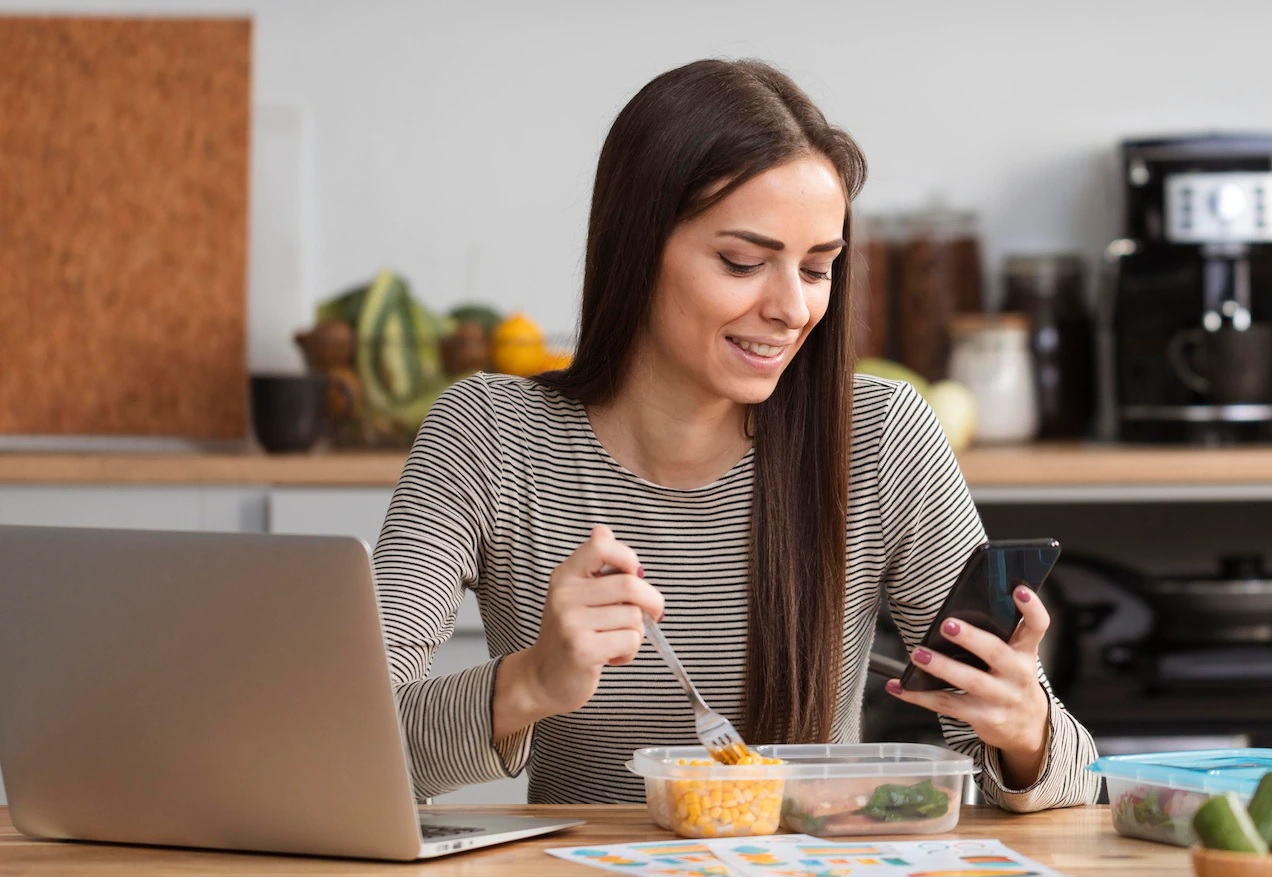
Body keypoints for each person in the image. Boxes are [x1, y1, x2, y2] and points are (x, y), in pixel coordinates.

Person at [375, 58, 1100, 810]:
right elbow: (352, 746)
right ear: (635, 249)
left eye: (817, 269)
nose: (791, 309)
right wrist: (529, 681)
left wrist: (1026, 730)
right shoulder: (490, 434)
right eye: (743, 262)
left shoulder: (880, 436)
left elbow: (1070, 784)